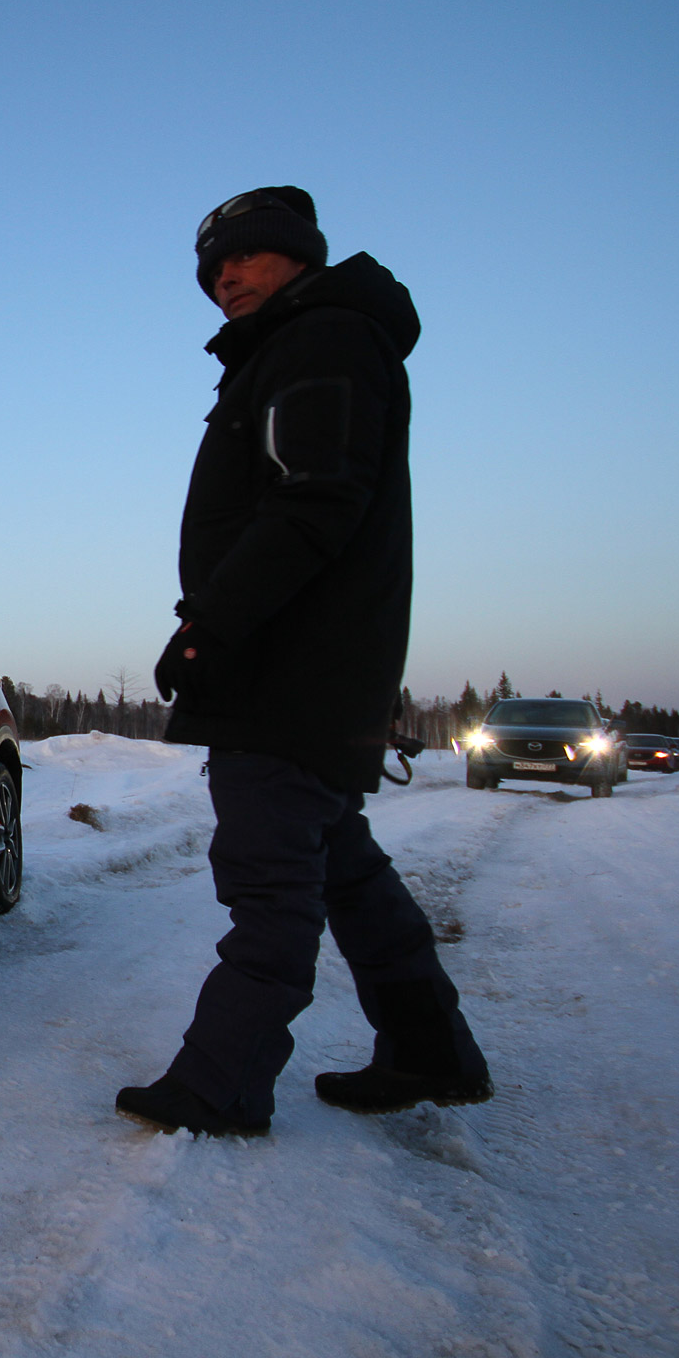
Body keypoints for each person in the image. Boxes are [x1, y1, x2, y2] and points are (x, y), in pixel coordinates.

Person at [115, 187, 493, 1137]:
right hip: (316, 671)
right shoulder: (312, 339)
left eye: (241, 259)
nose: (224, 280)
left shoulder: (318, 340)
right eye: (211, 271)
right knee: (341, 867)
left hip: (284, 673)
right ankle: (430, 1049)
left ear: (295, 255)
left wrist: (211, 629)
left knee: (272, 882)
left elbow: (315, 500)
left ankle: (221, 1085)